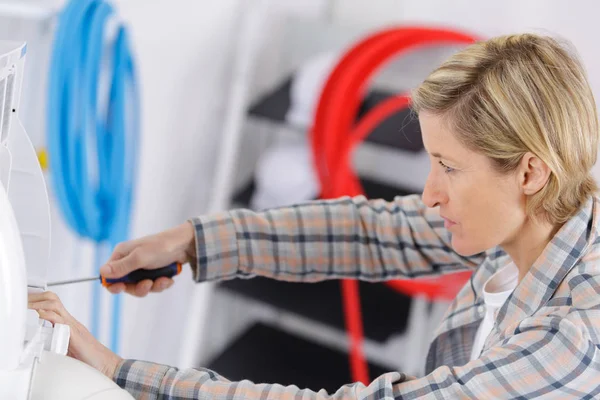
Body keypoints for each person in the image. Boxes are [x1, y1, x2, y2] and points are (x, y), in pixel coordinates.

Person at [28, 32, 600, 399]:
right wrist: (193, 241)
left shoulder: (576, 339)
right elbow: (373, 233)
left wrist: (117, 371)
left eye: (449, 167)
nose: (428, 194)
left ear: (528, 172)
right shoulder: (531, 224)